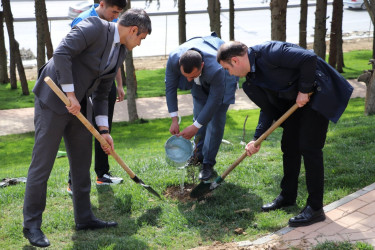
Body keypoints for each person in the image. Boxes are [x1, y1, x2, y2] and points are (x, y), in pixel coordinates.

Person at [23, 9, 151, 247]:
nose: (140, 44)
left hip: (81, 105)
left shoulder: (120, 51)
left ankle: (84, 218)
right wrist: (70, 94)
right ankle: (31, 225)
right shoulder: (94, 26)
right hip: (54, 98)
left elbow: (102, 93)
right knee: (42, 165)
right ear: (134, 30)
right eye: (141, 38)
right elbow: (61, 53)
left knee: (82, 164)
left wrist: (104, 130)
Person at [217, 41, 353, 227]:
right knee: (289, 146)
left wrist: (304, 90)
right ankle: (287, 196)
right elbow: (268, 108)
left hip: (316, 94)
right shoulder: (251, 80)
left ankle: (315, 208)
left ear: (235, 60)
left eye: (227, 68)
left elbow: (309, 58)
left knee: (309, 147)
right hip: (294, 104)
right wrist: (257, 139)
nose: (229, 73)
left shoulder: (271, 52)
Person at [66, 0, 127, 196]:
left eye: (119, 13)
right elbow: (70, 56)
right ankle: (73, 181)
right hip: (86, 87)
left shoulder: (113, 24)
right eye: (114, 11)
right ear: (102, 3)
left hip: (105, 85)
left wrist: (118, 84)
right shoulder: (84, 20)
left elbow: (114, 56)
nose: (116, 16)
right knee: (82, 133)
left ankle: (103, 174)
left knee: (104, 128)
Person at [165, 33, 238, 181]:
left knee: (215, 122)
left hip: (223, 81)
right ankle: (197, 156)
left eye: (192, 76)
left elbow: (214, 101)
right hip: (201, 79)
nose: (188, 80)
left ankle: (207, 164)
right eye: (186, 76)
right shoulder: (174, 59)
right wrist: (174, 119)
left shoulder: (217, 69)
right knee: (199, 114)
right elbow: (170, 88)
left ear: (202, 66)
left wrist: (195, 126)